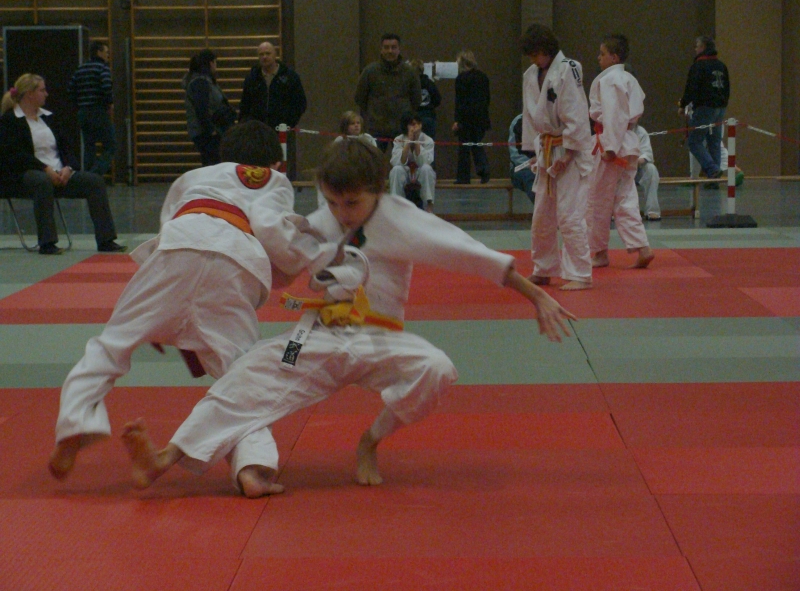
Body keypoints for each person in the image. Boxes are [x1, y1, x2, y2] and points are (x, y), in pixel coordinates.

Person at [120, 137, 576, 498]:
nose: (341, 213)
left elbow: (473, 255)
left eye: (352, 204)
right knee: (250, 372)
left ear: (377, 190)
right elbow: (268, 267)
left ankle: (370, 442)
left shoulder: (402, 220)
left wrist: (537, 297)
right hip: (314, 334)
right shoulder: (322, 221)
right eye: (332, 202)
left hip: (379, 339)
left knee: (436, 368)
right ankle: (166, 458)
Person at [48, 120, 339, 480]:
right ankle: (252, 465)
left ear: (223, 156)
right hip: (236, 259)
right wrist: (301, 264)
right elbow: (273, 233)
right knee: (241, 373)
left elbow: (168, 223)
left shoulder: (193, 177)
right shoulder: (273, 180)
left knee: (111, 345)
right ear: (275, 163)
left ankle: (76, 420)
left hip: (177, 248)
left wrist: (159, 314)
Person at [0, 74, 125, 255]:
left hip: (59, 174)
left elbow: (66, 148)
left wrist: (68, 168)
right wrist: (45, 169)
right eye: (42, 90)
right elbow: (15, 155)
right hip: (25, 176)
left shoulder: (49, 117)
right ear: (29, 94)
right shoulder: (9, 120)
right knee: (42, 181)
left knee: (94, 182)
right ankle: (47, 243)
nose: (46, 94)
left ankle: (106, 239)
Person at [519, 24, 593, 291]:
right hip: (547, 150)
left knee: (569, 215)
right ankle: (544, 268)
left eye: (534, 54)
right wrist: (533, 151)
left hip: (567, 150)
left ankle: (580, 273)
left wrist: (570, 153)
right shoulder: (531, 74)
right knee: (542, 216)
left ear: (545, 49)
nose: (532, 60)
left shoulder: (568, 69)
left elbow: (577, 112)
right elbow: (531, 117)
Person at [586, 35, 654, 269]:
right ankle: (642, 247)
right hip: (629, 142)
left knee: (597, 199)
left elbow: (614, 114)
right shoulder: (629, 79)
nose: (599, 57)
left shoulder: (610, 79)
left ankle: (599, 252)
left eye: (602, 53)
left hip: (612, 143)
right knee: (626, 197)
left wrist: (610, 147)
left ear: (614, 57)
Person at [238, 41, 307, 179]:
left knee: (281, 165)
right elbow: (244, 105)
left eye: (267, 53)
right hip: (258, 131)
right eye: (261, 54)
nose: (264, 57)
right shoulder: (252, 78)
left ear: (275, 55)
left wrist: (289, 123)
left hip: (281, 131)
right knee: (257, 167)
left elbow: (300, 103)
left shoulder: (290, 77)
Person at [355, 34, 421, 152]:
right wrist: (373, 113)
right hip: (376, 128)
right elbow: (360, 97)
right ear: (381, 49)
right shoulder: (370, 71)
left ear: (399, 49)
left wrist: (406, 115)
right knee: (374, 161)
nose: (390, 51)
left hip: (402, 128)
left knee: (403, 162)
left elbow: (416, 99)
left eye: (393, 47)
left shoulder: (410, 72)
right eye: (386, 47)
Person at [679, 35, 730, 180]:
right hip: (720, 108)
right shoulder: (721, 66)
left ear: (702, 47)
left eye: (697, 46)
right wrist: (722, 105)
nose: (695, 49)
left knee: (694, 141)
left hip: (705, 107)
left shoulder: (699, 66)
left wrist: (683, 105)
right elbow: (727, 89)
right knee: (714, 142)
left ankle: (712, 169)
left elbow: (691, 88)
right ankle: (714, 180)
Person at [67, 40, 115, 176]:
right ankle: (95, 174)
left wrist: (79, 105)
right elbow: (107, 87)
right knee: (111, 146)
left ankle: (87, 179)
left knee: (89, 147)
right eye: (106, 52)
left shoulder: (81, 68)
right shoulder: (102, 68)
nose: (108, 55)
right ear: (99, 52)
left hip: (83, 112)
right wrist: (110, 103)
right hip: (98, 111)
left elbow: (70, 90)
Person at [182, 49, 237, 166]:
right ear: (211, 63)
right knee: (213, 164)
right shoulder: (201, 82)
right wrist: (211, 131)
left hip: (208, 133)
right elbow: (202, 109)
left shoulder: (201, 80)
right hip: (208, 135)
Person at [315, 111, 377, 208]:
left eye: (358, 123)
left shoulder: (368, 139)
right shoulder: (339, 141)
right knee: (322, 178)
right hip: (345, 173)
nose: (356, 125)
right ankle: (324, 208)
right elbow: (333, 161)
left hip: (364, 173)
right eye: (352, 123)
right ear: (345, 126)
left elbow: (375, 159)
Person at [452, 50, 491, 184]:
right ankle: (484, 170)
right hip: (480, 118)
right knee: (477, 145)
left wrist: (457, 120)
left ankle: (463, 177)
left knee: (464, 148)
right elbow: (487, 99)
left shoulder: (461, 79)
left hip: (465, 118)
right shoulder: (483, 77)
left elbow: (459, 101)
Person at [390, 111, 436, 212]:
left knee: (427, 169)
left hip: (420, 171)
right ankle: (397, 206)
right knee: (396, 170)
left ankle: (428, 205)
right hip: (405, 171)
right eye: (412, 124)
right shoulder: (399, 139)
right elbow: (398, 161)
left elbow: (425, 162)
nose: (416, 126)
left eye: (418, 123)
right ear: (406, 126)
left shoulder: (428, 140)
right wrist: (408, 141)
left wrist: (416, 142)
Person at [408, 58, 441, 139]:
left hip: (414, 118)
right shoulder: (430, 83)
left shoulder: (410, 84)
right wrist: (430, 106)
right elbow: (438, 99)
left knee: (414, 143)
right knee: (428, 143)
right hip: (429, 116)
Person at [634, 125, 661, 220]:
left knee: (651, 169)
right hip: (620, 169)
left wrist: (633, 161)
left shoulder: (641, 132)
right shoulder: (615, 129)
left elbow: (647, 154)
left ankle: (652, 210)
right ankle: (614, 211)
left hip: (637, 169)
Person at [508, 113, 536, 205]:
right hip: (522, 168)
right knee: (532, 178)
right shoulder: (519, 121)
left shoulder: (550, 120)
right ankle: (544, 211)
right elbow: (517, 157)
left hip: (546, 165)